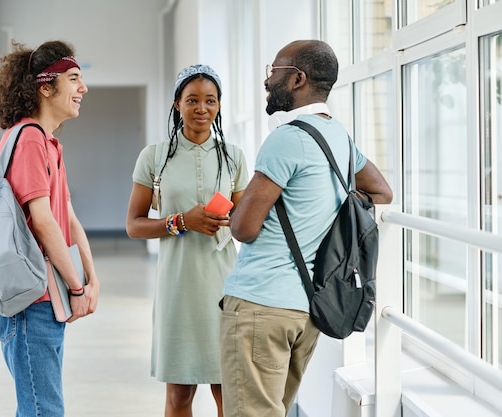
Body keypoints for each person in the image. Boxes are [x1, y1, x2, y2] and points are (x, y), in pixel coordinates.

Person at [219, 40, 393, 416]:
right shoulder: (339, 138)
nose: (267, 81)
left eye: (274, 71)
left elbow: (244, 229)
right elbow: (381, 191)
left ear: (297, 79)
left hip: (261, 304)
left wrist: (234, 211)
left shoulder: (287, 138)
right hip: (306, 309)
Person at [126, 64, 249, 417]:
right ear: (177, 103)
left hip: (225, 285)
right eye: (192, 100)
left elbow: (245, 223)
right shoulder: (154, 157)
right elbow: (134, 225)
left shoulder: (234, 157)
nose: (201, 108)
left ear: (219, 105)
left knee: (230, 393)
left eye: (210, 100)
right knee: (179, 396)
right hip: (178, 288)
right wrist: (181, 221)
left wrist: (231, 219)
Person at [0, 40, 100, 417]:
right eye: (74, 78)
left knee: (40, 408)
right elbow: (43, 221)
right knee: (43, 410)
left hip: (43, 301)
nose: (82, 88)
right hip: (28, 302)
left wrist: (90, 277)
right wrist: (77, 285)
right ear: (45, 86)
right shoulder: (30, 138)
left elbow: (68, 217)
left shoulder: (50, 143)